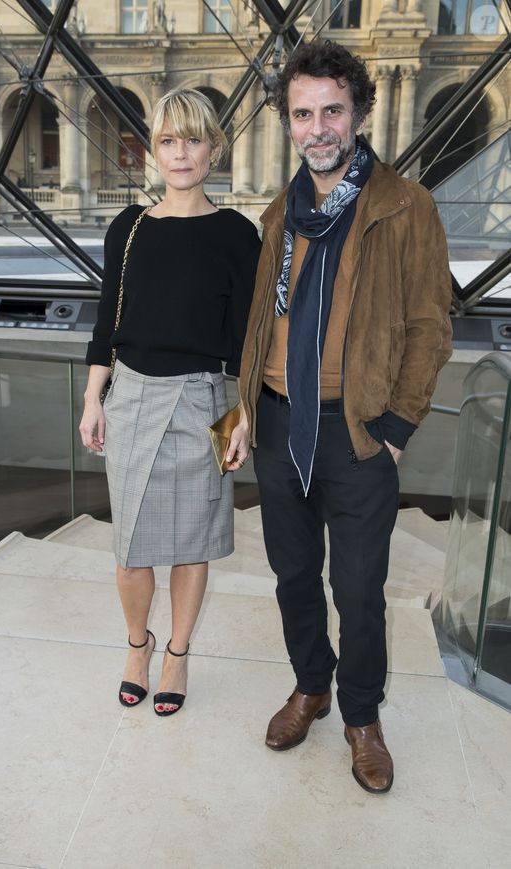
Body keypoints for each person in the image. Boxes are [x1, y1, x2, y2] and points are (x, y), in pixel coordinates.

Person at [235, 40, 452, 792]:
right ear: (288, 123)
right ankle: (311, 686)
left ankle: (362, 715)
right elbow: (262, 321)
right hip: (277, 422)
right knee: (293, 574)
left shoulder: (404, 205)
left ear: (358, 112)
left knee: (358, 589)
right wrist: (244, 408)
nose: (318, 127)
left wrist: (395, 430)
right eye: (303, 114)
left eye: (332, 110)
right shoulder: (280, 212)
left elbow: (430, 326)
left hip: (357, 431)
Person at [80, 88, 260, 717]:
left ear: (214, 149)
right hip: (130, 397)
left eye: (193, 140)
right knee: (130, 547)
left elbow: (248, 340)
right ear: (153, 151)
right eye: (167, 140)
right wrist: (93, 398)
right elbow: (108, 320)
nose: (181, 154)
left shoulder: (237, 234)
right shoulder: (128, 228)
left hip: (205, 401)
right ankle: (139, 645)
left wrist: (244, 419)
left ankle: (177, 654)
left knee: (192, 542)